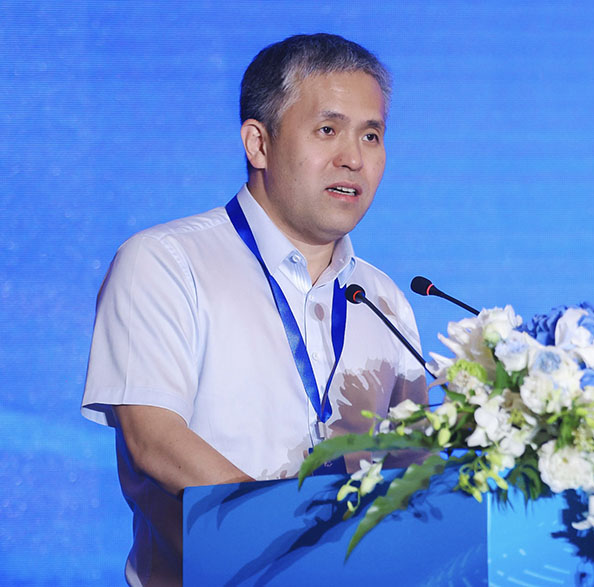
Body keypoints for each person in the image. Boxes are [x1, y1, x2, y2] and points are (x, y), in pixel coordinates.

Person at [80, 33, 427, 586]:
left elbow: (415, 468)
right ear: (258, 143)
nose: (353, 158)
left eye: (371, 135)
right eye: (328, 130)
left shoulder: (384, 300)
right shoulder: (166, 263)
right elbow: (155, 443)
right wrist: (294, 550)